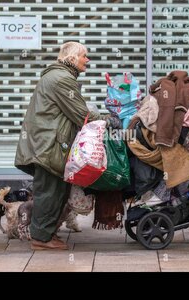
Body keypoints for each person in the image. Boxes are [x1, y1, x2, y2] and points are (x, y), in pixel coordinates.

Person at [15, 41, 119, 250]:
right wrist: (108, 120)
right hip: (49, 145)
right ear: (72, 58)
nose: (87, 60)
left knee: (56, 191)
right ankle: (41, 239)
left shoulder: (57, 76)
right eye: (84, 56)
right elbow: (82, 114)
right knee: (50, 192)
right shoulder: (62, 79)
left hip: (47, 143)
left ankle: (46, 233)